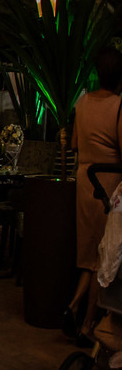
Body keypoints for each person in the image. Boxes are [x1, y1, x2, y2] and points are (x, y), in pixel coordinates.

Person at [68, 48, 122, 345]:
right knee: (103, 258)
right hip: (109, 184)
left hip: (84, 180)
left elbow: (75, 143)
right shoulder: (118, 106)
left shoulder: (82, 102)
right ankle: (87, 324)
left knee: (87, 256)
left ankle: (72, 307)